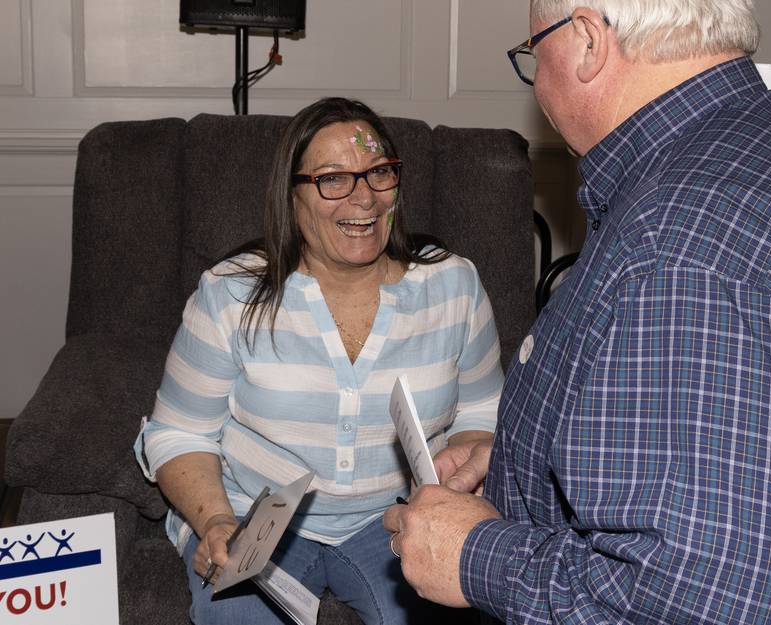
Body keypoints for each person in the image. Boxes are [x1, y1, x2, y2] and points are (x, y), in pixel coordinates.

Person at [384, 1, 771, 623]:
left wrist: (475, 556)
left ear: (585, 40)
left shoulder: (677, 243)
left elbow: (698, 601)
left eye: (534, 53)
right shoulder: (748, 151)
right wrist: (526, 453)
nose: (537, 80)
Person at [134, 97, 504, 624]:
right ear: (293, 196)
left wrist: (463, 470)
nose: (364, 198)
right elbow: (179, 434)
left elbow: (482, 414)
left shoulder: (454, 286)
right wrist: (216, 521)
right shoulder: (230, 295)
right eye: (333, 179)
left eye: (379, 173)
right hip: (253, 517)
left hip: (398, 517)